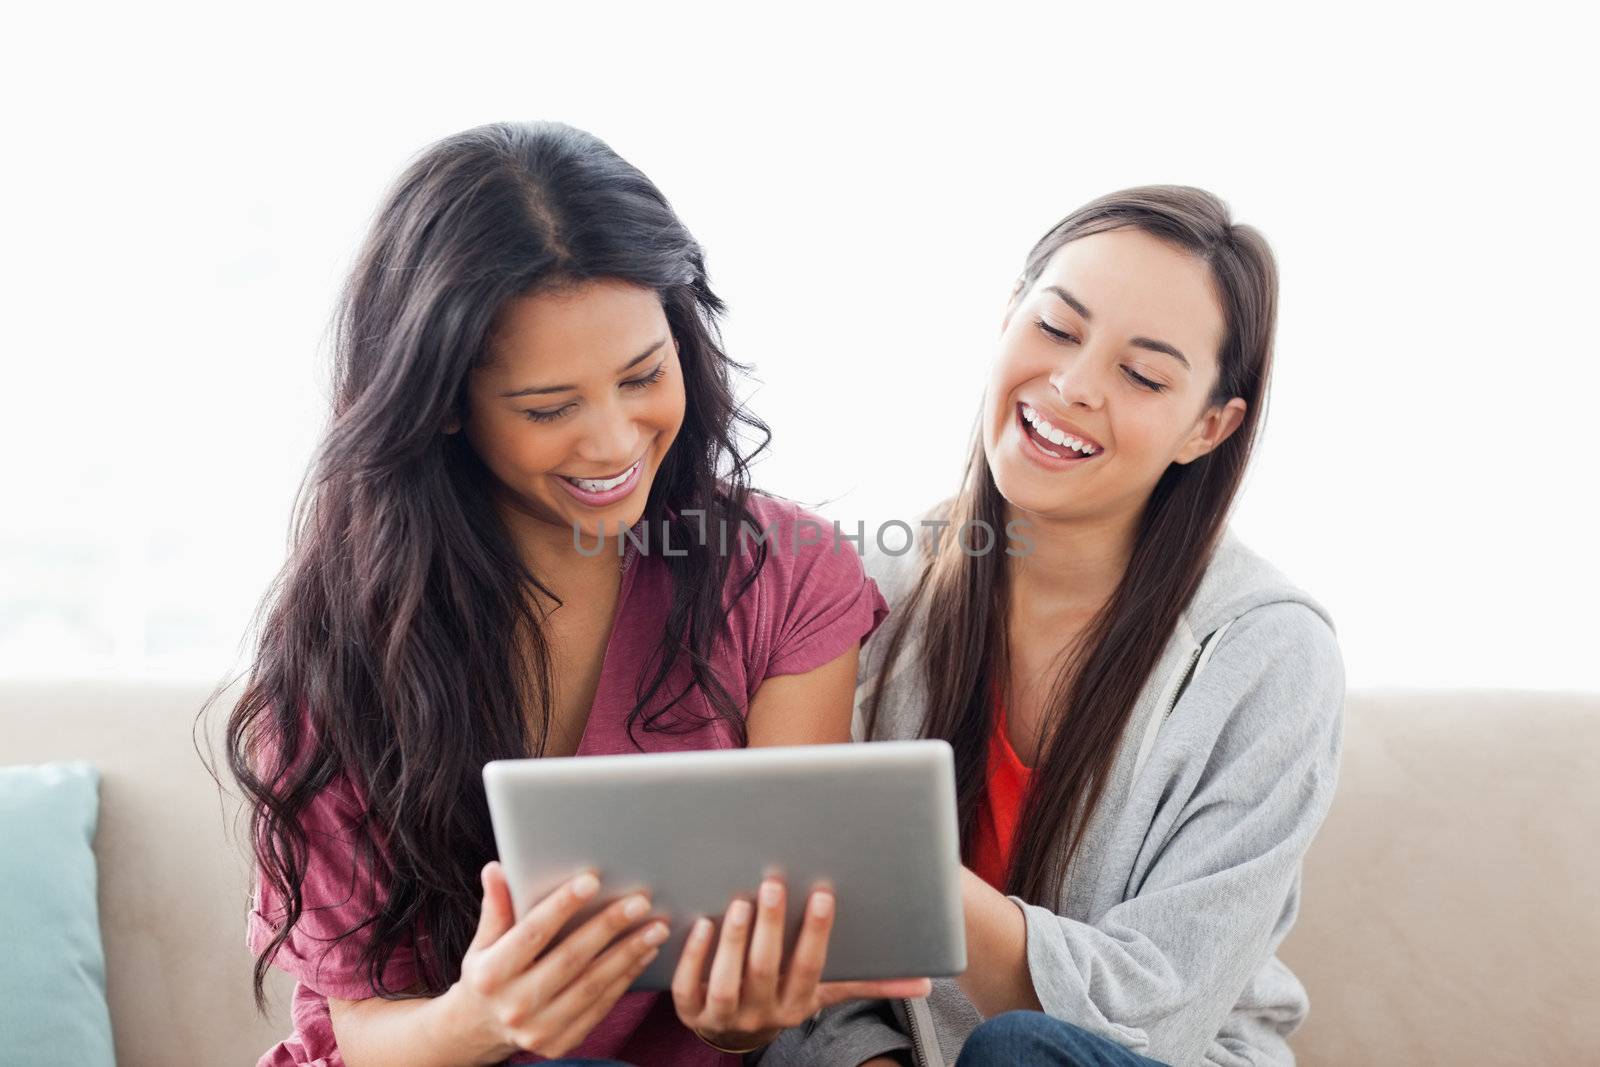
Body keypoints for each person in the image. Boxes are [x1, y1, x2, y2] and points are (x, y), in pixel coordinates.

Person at [219, 120, 927, 1067]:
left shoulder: (782, 571)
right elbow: (371, 1034)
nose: (614, 440)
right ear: (441, 406)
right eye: (549, 408)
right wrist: (485, 1015)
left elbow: (774, 944)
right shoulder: (345, 646)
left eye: (644, 375)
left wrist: (741, 1012)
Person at [759, 186, 1345, 1066]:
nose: (1073, 387)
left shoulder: (1268, 652)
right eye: (1058, 330)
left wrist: (900, 869)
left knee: (1021, 1050)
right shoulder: (864, 592)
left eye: (1142, 376)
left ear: (1208, 427)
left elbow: (1159, 1013)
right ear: (1006, 319)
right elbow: (797, 948)